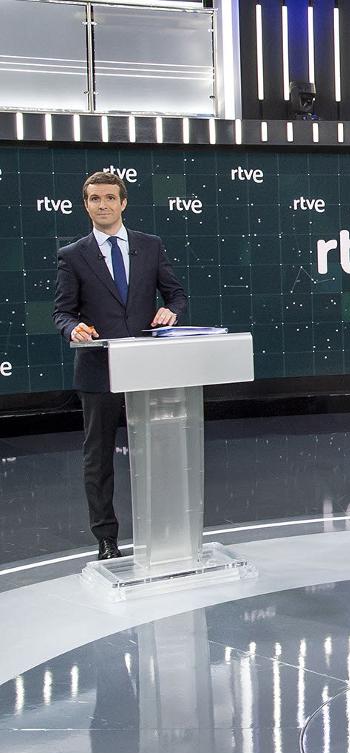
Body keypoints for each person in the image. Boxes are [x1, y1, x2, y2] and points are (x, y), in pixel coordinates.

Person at [52, 171, 187, 560]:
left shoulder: (150, 246)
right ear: (86, 205)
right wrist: (73, 328)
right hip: (100, 370)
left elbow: (176, 294)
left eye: (110, 198)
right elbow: (62, 312)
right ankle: (106, 539)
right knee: (98, 458)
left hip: (148, 367)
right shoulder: (72, 255)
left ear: (123, 203)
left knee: (159, 450)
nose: (103, 205)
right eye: (95, 199)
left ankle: (165, 531)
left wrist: (171, 311)